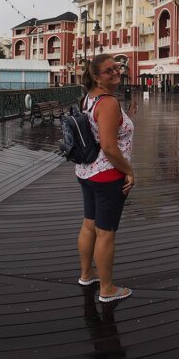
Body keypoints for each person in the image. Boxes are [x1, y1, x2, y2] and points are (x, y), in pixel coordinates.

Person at [76, 53, 136, 303]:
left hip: (86, 171)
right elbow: (110, 148)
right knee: (106, 233)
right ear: (97, 77)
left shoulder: (88, 99)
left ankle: (86, 274)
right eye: (109, 70)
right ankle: (108, 289)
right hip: (107, 175)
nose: (116, 72)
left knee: (89, 225)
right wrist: (129, 171)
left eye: (117, 67)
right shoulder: (109, 102)